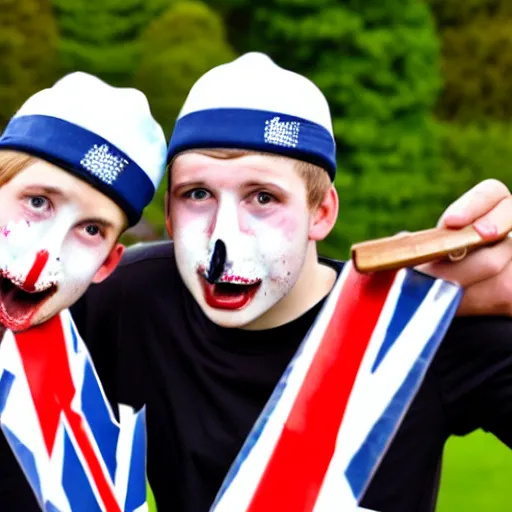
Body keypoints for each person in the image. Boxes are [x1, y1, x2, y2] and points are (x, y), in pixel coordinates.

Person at [4, 53, 512, 511]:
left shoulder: (418, 331)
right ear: (170, 216)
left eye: (263, 198)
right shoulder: (124, 300)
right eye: (197, 194)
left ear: (322, 212)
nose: (222, 240)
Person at [0, 71, 167, 508]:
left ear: (107, 264)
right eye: (37, 203)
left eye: (91, 229)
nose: (44, 255)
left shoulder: (79, 437)